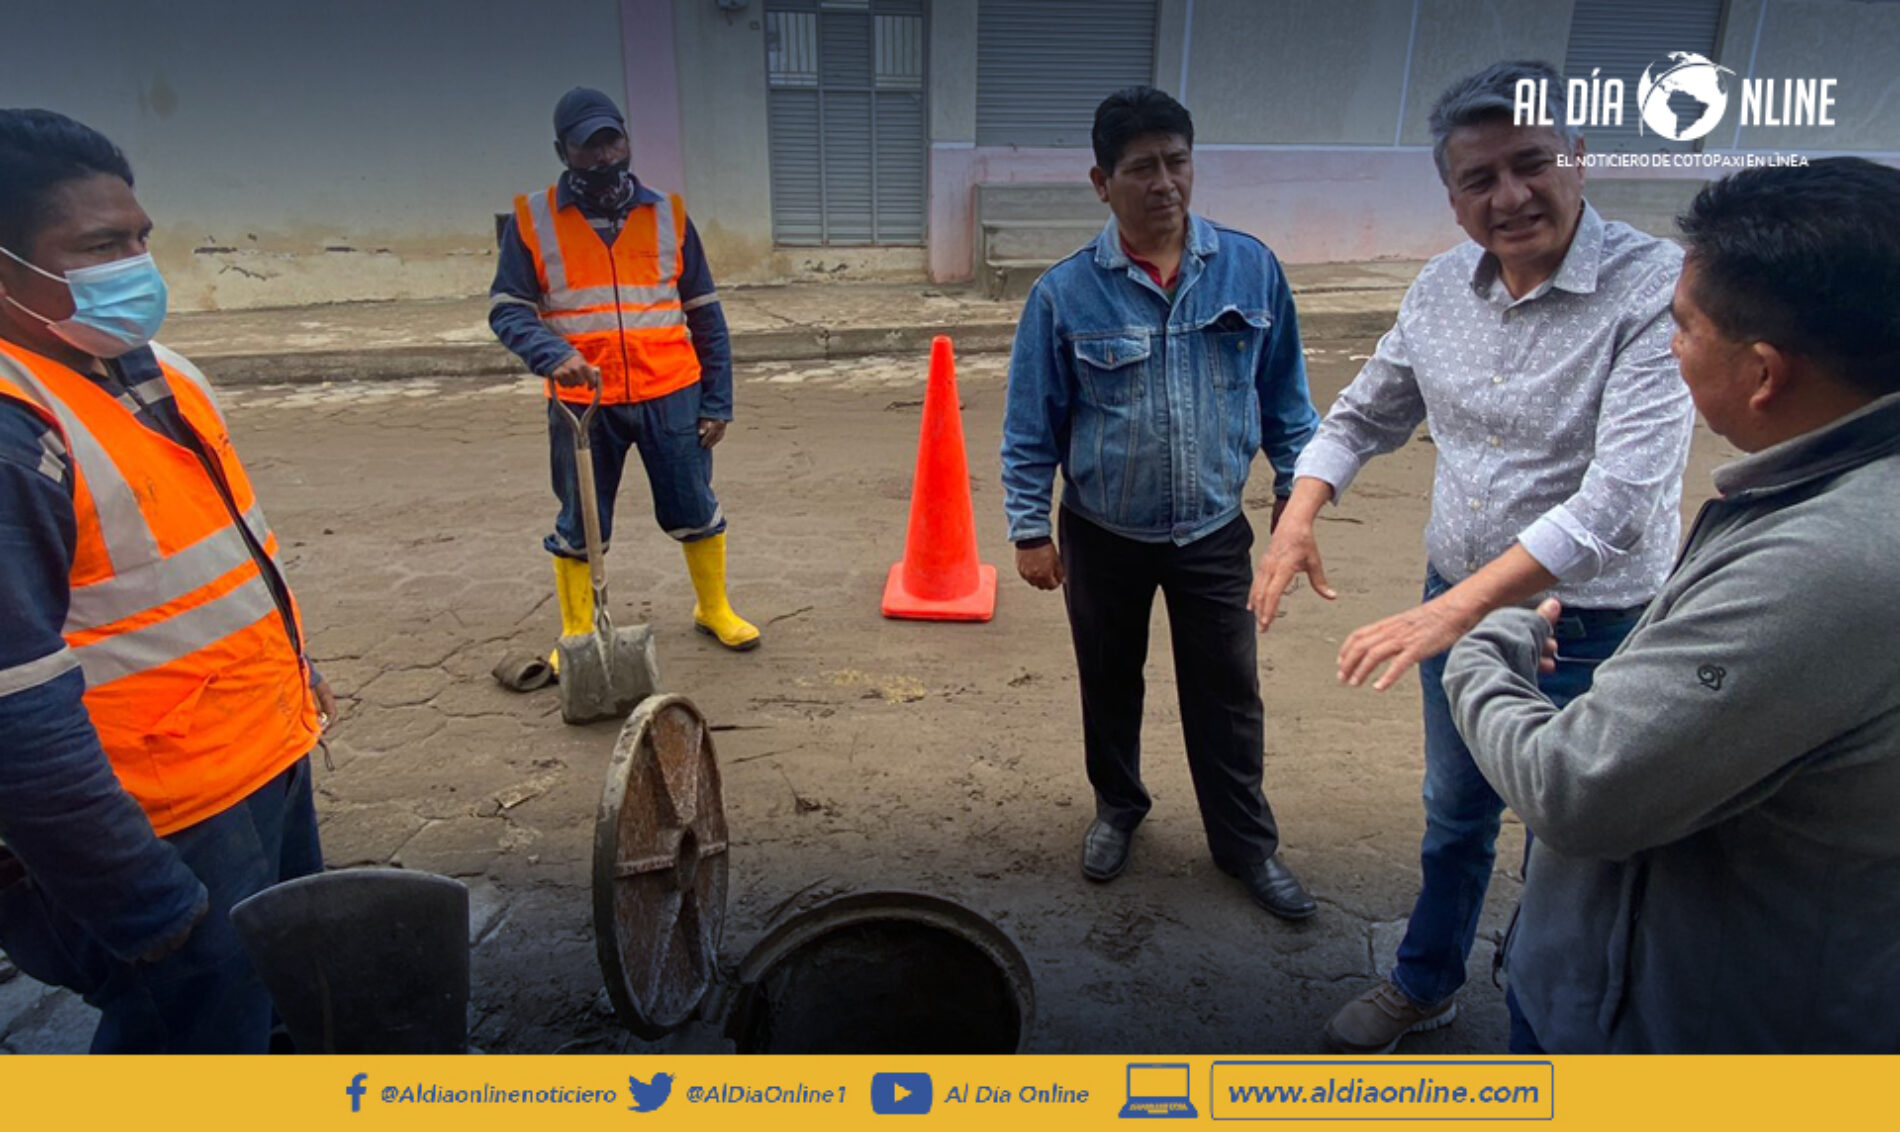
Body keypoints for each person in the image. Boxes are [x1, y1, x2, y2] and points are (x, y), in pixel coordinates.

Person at [1250, 61, 1695, 1052]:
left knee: (1571, 845)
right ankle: (1426, 981)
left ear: (1577, 156)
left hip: (1595, 629)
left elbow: (1617, 502)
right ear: (1450, 198)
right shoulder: (1439, 287)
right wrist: (1297, 511)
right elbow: (1364, 413)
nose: (1509, 197)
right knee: (1454, 814)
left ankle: (1546, 1022)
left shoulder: (1653, 290)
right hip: (1453, 603)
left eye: (1530, 163)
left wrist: (1456, 615)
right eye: (1477, 180)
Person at [1443, 157, 1900, 1054]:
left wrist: (1476, 641)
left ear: (1765, 373)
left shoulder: (1827, 563)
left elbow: (1577, 788)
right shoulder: (1828, 484)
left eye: (1684, 329)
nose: (1668, 347)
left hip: (1685, 1039)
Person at [0, 109, 332, 1053]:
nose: (136, 265)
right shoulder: (14, 433)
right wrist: (143, 904)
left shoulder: (151, 370)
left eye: (140, 237)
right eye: (101, 245)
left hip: (256, 753)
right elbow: (15, 713)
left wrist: (292, 674)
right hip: (157, 818)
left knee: (273, 1000)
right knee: (192, 1033)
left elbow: (215, 563)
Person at [1001, 87, 1322, 920]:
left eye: (1177, 162)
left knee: (1226, 692)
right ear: (1102, 182)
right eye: (1141, 168)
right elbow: (1031, 424)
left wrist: (1296, 503)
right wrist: (1031, 529)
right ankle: (1119, 808)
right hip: (1103, 532)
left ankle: (1245, 845)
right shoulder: (1064, 294)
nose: (1164, 182)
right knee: (1109, 681)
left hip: (1214, 532)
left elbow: (1289, 405)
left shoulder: (1251, 269)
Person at [490, 87, 755, 668]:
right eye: (589, 147)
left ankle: (714, 609)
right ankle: (579, 635)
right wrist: (548, 352)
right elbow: (507, 308)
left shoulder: (669, 214)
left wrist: (718, 400)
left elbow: (706, 314)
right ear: (563, 151)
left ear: (628, 140)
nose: (605, 156)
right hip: (583, 403)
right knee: (582, 520)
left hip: (672, 392)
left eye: (613, 140)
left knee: (694, 504)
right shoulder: (532, 221)